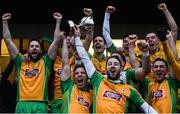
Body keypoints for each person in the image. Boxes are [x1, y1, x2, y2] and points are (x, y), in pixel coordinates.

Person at [73, 25, 157, 113]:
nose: (112, 66)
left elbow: (148, 109)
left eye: (116, 64)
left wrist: (146, 52)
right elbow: (83, 56)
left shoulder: (130, 89)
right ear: (106, 68)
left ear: (121, 68)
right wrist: (77, 37)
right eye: (109, 64)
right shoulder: (98, 79)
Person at [2, 12, 62, 113]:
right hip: (22, 103)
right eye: (32, 46)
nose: (34, 48)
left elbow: (56, 41)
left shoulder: (46, 62)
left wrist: (58, 22)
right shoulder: (20, 61)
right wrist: (4, 22)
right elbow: (8, 40)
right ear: (28, 50)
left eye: (37, 46)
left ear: (41, 50)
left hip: (40, 104)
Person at [60, 32, 92, 113]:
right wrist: (64, 40)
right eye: (77, 73)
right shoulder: (68, 87)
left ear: (87, 77)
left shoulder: (93, 95)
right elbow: (65, 63)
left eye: (82, 73)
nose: (79, 75)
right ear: (73, 77)